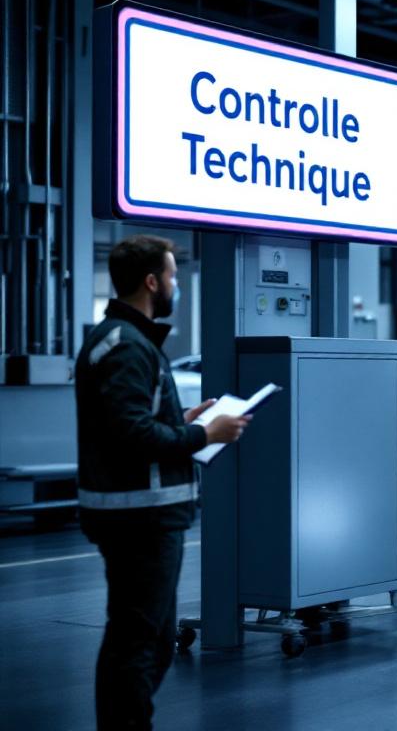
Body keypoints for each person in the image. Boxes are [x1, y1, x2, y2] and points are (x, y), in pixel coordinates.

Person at [75, 234, 251, 730]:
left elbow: (134, 420)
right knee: (137, 641)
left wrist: (184, 417)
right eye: (172, 274)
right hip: (139, 519)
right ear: (152, 281)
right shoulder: (127, 346)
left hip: (145, 515)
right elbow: (130, 433)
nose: (175, 283)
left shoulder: (129, 341)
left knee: (151, 640)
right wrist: (202, 432)